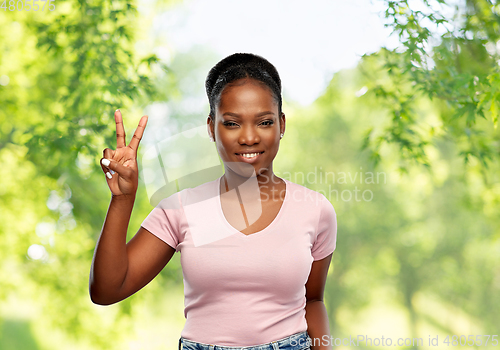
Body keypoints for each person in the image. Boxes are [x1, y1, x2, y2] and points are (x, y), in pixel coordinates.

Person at [89, 53, 337, 350]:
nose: (248, 137)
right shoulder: (179, 209)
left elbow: (313, 300)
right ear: (211, 127)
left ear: (281, 125)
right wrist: (123, 199)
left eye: (264, 122)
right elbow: (106, 290)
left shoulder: (315, 209)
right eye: (232, 124)